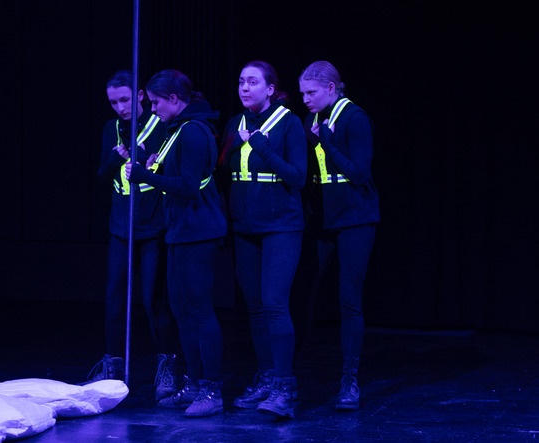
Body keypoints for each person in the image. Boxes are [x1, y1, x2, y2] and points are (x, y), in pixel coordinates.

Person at [126, 69, 227, 418]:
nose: (152, 110)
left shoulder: (195, 131)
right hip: (180, 229)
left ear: (174, 99)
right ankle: (196, 385)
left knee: (199, 311)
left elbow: (188, 185)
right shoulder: (179, 130)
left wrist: (146, 175)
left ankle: (212, 392)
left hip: (199, 230)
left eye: (155, 103)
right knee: (182, 312)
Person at [219, 60, 307, 419]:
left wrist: (261, 146)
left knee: (274, 304)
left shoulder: (288, 124)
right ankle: (268, 377)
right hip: (245, 226)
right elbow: (226, 169)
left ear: (270, 89)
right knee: (254, 307)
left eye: (252, 82)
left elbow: (298, 177)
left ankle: (286, 386)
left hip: (281, 226)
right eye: (241, 81)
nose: (244, 87)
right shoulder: (234, 123)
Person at [87, 70, 179, 403]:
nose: (120, 107)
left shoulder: (160, 126)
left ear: (139, 95)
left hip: (152, 227)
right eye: (114, 102)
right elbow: (101, 174)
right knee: (114, 299)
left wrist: (146, 161)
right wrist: (116, 156)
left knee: (154, 300)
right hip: (120, 227)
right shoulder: (110, 129)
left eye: (125, 99)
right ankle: (113, 366)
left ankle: (167, 367)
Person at [296, 61, 380, 411]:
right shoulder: (310, 121)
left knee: (349, 298)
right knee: (301, 293)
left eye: (312, 92)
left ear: (332, 88)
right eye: (302, 93)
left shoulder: (354, 117)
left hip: (355, 216)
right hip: (323, 215)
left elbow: (359, 174)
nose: (306, 100)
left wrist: (328, 143)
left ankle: (349, 379)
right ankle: (286, 376)